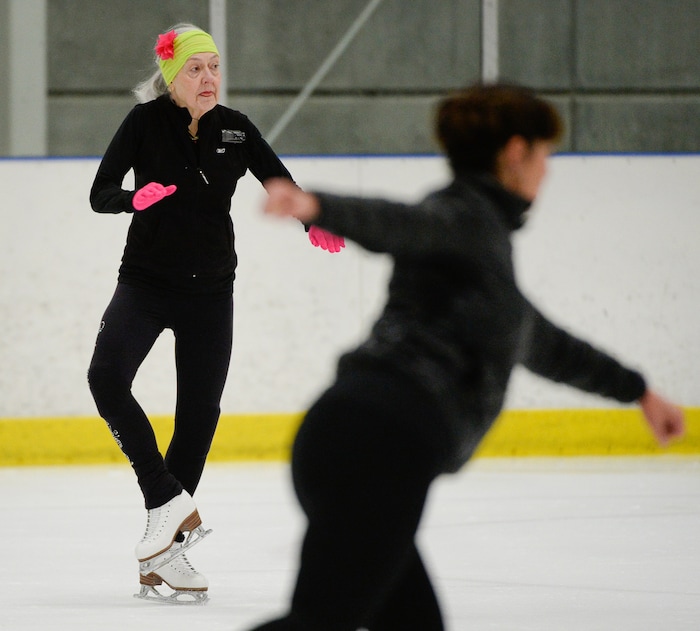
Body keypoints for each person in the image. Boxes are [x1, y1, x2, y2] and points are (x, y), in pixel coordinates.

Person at [248, 83, 686, 629]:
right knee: (320, 621)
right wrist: (320, 207)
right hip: (378, 442)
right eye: (546, 155)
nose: (548, 172)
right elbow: (409, 226)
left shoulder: (486, 260)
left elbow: (544, 342)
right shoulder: (465, 218)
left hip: (356, 438)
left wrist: (638, 391)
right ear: (515, 153)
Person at [87, 23, 344, 604]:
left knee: (199, 414)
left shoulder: (235, 128)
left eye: (215, 67)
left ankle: (165, 552)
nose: (209, 78)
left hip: (211, 292)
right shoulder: (143, 124)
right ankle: (165, 499)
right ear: (173, 78)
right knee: (105, 376)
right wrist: (134, 199)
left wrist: (313, 219)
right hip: (146, 283)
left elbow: (280, 181)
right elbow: (101, 191)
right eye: (196, 69)